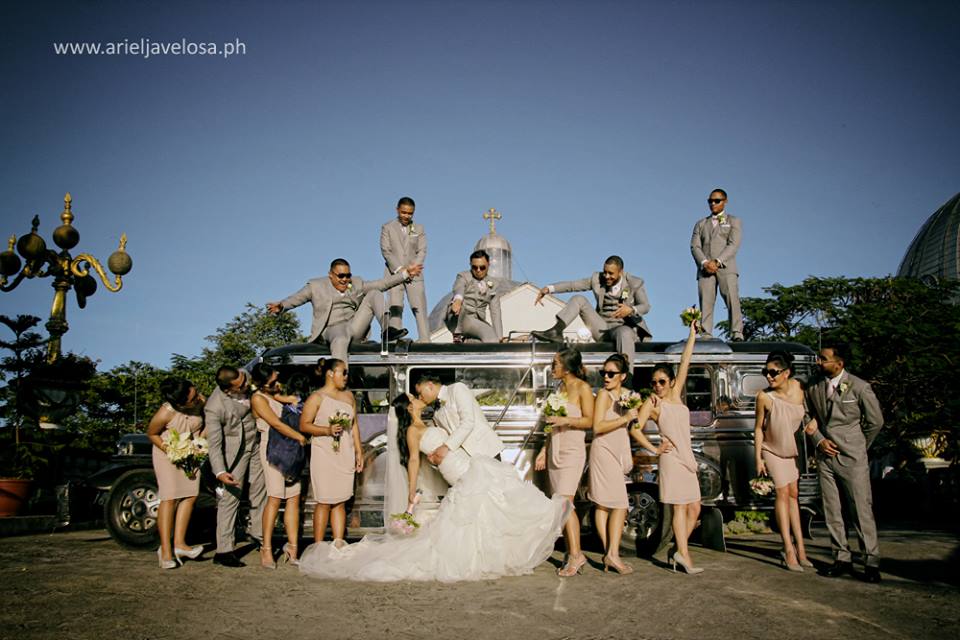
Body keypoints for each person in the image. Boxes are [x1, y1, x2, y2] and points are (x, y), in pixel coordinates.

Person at [297, 397, 569, 582]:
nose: (417, 399)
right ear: (408, 408)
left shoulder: (425, 422)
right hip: (456, 469)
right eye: (412, 398)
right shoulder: (412, 432)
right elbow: (414, 460)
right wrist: (411, 493)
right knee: (484, 501)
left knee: (491, 502)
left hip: (463, 463)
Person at [804, 342, 884, 583]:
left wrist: (859, 446)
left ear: (839, 363)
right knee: (832, 509)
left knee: (860, 509)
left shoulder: (860, 387)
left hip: (853, 457)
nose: (819, 362)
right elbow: (807, 415)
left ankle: (870, 560)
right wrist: (818, 441)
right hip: (825, 457)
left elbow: (875, 422)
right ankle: (841, 558)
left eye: (823, 359)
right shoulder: (814, 386)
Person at [630, 319, 702, 574]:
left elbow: (685, 362)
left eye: (661, 381)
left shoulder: (676, 394)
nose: (657, 386)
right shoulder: (653, 403)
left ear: (670, 382)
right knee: (680, 507)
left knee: (695, 507)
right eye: (654, 382)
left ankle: (676, 548)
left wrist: (691, 334)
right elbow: (634, 428)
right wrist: (654, 448)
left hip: (687, 457)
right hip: (671, 458)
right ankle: (684, 555)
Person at [266, 258, 421, 362]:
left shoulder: (355, 284)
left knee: (374, 293)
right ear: (331, 275)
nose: (345, 280)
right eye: (341, 276)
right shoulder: (316, 286)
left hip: (354, 327)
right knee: (340, 338)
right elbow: (297, 298)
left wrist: (405, 274)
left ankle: (387, 330)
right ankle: (340, 381)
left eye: (348, 275)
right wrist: (282, 306)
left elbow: (381, 284)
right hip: (331, 329)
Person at [534, 348, 594, 576]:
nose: (552, 368)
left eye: (555, 364)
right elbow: (550, 425)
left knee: (566, 502)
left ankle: (576, 555)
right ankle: (574, 552)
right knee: (561, 503)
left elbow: (589, 421)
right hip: (555, 448)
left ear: (567, 367)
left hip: (572, 450)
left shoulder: (583, 388)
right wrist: (543, 449)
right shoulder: (558, 389)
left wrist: (565, 419)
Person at [530, 255, 651, 365]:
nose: (607, 276)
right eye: (605, 272)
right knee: (578, 299)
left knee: (625, 332)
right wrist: (549, 289)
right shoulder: (597, 279)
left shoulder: (634, 283)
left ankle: (627, 379)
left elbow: (645, 306)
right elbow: (573, 285)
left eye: (611, 273)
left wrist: (631, 310)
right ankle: (556, 331)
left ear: (621, 272)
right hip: (601, 327)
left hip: (622, 328)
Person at [753, 351, 813, 572]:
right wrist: (758, 457)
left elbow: (813, 410)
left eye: (773, 372)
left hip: (790, 450)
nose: (769, 377)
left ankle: (801, 548)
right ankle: (788, 548)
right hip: (772, 449)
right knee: (782, 494)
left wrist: (813, 422)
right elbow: (758, 428)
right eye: (765, 372)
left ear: (786, 373)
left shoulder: (800, 388)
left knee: (794, 495)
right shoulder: (764, 397)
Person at [205, 366, 267, 567]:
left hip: (257, 443)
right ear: (228, 390)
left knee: (261, 489)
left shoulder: (245, 376)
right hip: (235, 453)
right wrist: (221, 472)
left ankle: (259, 535)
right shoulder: (214, 407)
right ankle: (224, 550)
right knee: (230, 498)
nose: (246, 384)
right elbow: (214, 444)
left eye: (245, 379)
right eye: (241, 385)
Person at [300, 358, 363, 548]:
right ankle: (318, 546)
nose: (346, 376)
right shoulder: (316, 398)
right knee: (324, 501)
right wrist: (327, 430)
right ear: (330, 373)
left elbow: (354, 426)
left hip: (345, 452)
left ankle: (338, 544)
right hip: (324, 454)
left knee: (341, 500)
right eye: (343, 372)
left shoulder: (349, 397)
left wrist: (358, 452)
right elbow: (304, 425)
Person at [250, 363, 307, 569]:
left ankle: (292, 546)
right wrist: (300, 437)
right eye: (272, 382)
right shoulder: (258, 398)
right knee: (274, 498)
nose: (277, 384)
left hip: (290, 448)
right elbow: (275, 423)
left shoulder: (276, 394)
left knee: (293, 497)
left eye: (277, 380)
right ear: (261, 383)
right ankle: (266, 547)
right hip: (273, 448)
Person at [147, 377, 206, 569]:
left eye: (195, 392)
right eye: (192, 397)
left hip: (191, 454)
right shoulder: (166, 412)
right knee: (170, 498)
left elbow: (203, 427)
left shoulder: (200, 402)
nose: (197, 397)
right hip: (167, 455)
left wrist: (199, 443)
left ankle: (180, 544)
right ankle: (165, 551)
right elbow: (152, 434)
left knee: (190, 495)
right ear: (180, 402)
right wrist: (171, 450)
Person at [588, 353, 637, 574]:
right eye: (603, 373)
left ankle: (610, 552)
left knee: (606, 505)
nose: (605, 377)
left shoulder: (628, 396)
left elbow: (637, 421)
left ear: (623, 376)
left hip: (618, 450)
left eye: (611, 373)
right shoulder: (603, 396)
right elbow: (597, 427)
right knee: (617, 504)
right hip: (604, 450)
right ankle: (612, 554)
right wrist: (625, 418)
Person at [413, 374, 505, 464]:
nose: (420, 397)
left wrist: (446, 447)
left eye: (420, 393)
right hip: (466, 459)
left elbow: (468, 422)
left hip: (485, 450)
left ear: (430, 385)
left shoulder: (457, 389)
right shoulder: (436, 411)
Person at [690, 188, 743, 340]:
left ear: (725, 202)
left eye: (717, 201)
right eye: (710, 201)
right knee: (705, 301)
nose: (713, 204)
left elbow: (734, 244)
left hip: (726, 266)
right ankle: (706, 332)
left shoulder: (733, 221)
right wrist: (705, 262)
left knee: (732, 298)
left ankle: (737, 332)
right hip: (705, 268)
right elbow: (695, 246)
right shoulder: (701, 223)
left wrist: (718, 261)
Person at [380, 196, 430, 342]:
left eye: (410, 213)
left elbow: (422, 250)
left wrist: (414, 267)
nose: (406, 216)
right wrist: (401, 270)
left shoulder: (419, 228)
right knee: (395, 307)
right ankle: (395, 341)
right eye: (404, 212)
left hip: (415, 274)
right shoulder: (387, 227)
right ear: (397, 210)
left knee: (419, 307)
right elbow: (386, 251)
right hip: (394, 274)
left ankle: (425, 340)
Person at [446, 250, 504, 343]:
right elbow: (459, 288)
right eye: (474, 267)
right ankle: (457, 334)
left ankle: (468, 341)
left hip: (477, 322)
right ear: (470, 265)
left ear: (488, 265)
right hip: (460, 317)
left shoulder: (494, 284)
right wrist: (457, 300)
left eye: (482, 267)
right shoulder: (463, 276)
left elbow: (495, 311)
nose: (478, 270)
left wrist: (499, 337)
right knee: (457, 303)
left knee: (491, 339)